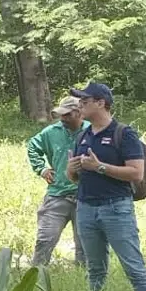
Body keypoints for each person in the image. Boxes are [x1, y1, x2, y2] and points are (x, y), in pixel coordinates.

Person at [67, 82, 146, 291]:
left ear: (101, 103)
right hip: (86, 207)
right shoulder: (83, 135)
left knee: (134, 268)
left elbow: (136, 173)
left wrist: (99, 167)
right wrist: (71, 169)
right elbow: (75, 178)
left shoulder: (124, 133)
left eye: (85, 101)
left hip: (116, 208)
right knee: (94, 269)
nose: (80, 106)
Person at [26, 96, 88, 266]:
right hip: (57, 194)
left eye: (67, 115)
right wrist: (42, 169)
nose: (63, 119)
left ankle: (84, 278)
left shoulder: (91, 130)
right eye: (61, 115)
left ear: (78, 113)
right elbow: (32, 146)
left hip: (85, 196)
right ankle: (36, 275)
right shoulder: (52, 132)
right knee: (45, 240)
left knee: (85, 246)